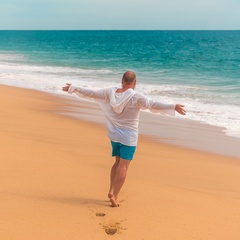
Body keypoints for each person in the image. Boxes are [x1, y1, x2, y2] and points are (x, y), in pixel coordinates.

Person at [62, 71, 186, 207]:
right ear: (135, 82)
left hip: (114, 135)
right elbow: (152, 104)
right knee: (124, 166)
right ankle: (114, 195)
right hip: (129, 137)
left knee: (117, 163)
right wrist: (173, 106)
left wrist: (74, 88)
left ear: (122, 80)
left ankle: (111, 189)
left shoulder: (110, 92)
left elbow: (92, 93)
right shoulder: (136, 97)